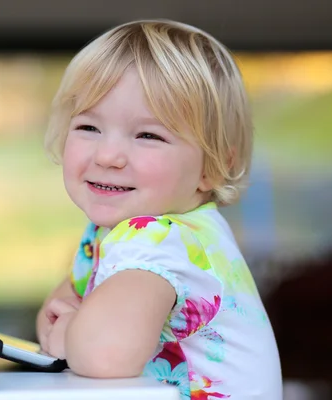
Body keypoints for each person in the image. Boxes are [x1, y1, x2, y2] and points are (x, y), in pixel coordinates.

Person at [36, 19, 282, 399]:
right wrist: (68, 327)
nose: (108, 155)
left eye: (148, 135)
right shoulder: (125, 234)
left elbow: (104, 355)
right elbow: (55, 310)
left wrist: (70, 332)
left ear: (212, 168)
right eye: (88, 127)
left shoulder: (161, 240)